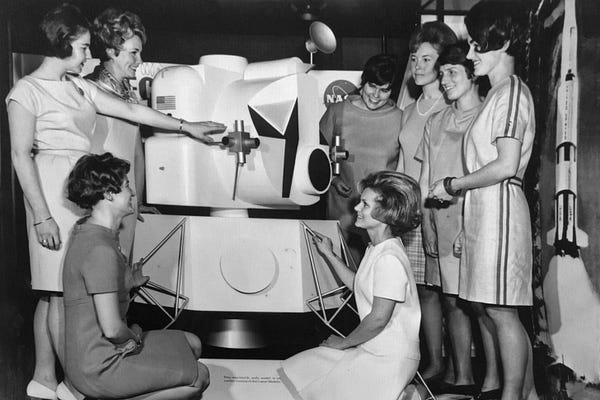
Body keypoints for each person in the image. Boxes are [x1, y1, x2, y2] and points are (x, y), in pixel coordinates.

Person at [5, 4, 225, 399]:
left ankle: (49, 379)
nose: (89, 55)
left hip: (79, 186)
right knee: (56, 290)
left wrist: (186, 126)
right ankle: (65, 382)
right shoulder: (25, 91)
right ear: (62, 44)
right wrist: (41, 216)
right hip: (49, 191)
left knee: (64, 291)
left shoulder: (79, 86)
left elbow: (130, 110)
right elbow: (20, 157)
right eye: (83, 48)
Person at [429, 2, 539, 399]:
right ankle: (527, 395)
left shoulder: (511, 93)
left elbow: (506, 164)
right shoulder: (498, 94)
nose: (472, 54)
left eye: (479, 45)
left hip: (501, 210)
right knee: (497, 312)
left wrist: (454, 184)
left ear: (505, 43)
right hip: (486, 211)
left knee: (501, 312)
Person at [62, 152, 209, 399]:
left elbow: (94, 293)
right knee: (199, 376)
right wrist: (135, 338)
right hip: (100, 366)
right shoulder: (99, 249)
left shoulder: (92, 231)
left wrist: (128, 281)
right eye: (127, 186)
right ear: (109, 194)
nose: (132, 193)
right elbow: (112, 330)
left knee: (192, 343)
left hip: (99, 352)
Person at [281, 171, 422, 400]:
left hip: (389, 357)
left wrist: (343, 343)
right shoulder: (376, 248)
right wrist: (329, 253)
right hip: (374, 348)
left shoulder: (389, 258)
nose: (356, 208)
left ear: (386, 212)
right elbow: (359, 285)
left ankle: (411, 394)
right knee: (305, 367)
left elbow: (378, 319)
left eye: (365, 204)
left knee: (319, 382)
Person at [417, 42, 485, 396]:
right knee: (449, 300)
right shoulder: (436, 121)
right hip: (439, 222)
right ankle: (462, 377)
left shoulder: (486, 116)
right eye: (441, 73)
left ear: (472, 75)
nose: (444, 80)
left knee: (482, 305)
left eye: (452, 72)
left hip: (475, 221)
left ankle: (493, 380)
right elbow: (427, 178)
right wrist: (427, 222)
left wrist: (469, 227)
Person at [397, 20, 456, 382]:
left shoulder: (450, 106)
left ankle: (460, 367)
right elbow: (403, 164)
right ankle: (433, 362)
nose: (417, 66)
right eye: (415, 58)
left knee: (449, 293)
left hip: (438, 210)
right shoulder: (410, 109)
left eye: (427, 59)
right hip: (410, 211)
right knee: (422, 292)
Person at [86, 7, 157, 262]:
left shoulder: (130, 94)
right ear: (110, 51)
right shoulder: (90, 90)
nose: (139, 61)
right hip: (102, 203)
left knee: (122, 272)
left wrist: (138, 200)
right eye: (133, 53)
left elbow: (136, 152)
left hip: (126, 201)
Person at [320, 54, 403, 266]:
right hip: (342, 209)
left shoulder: (400, 119)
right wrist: (332, 179)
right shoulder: (338, 111)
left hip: (380, 213)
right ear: (363, 82)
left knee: (377, 273)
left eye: (384, 90)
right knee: (340, 270)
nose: (376, 95)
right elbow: (316, 155)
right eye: (372, 86)